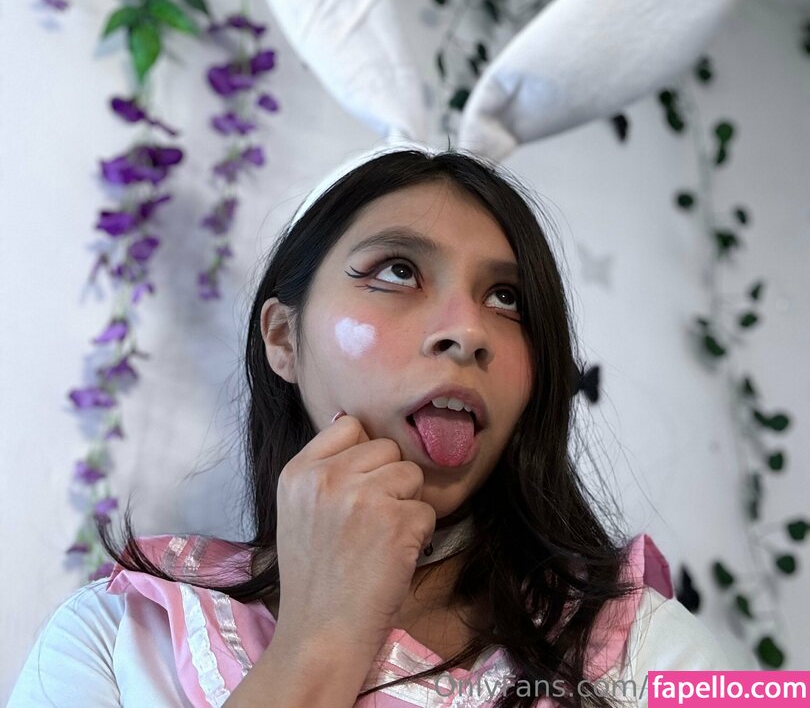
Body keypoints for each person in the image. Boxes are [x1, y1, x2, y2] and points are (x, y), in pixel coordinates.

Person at [8, 148, 731, 708]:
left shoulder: (656, 648)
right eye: (397, 271)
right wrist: (320, 638)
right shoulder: (114, 634)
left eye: (507, 298)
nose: (468, 331)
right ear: (283, 338)